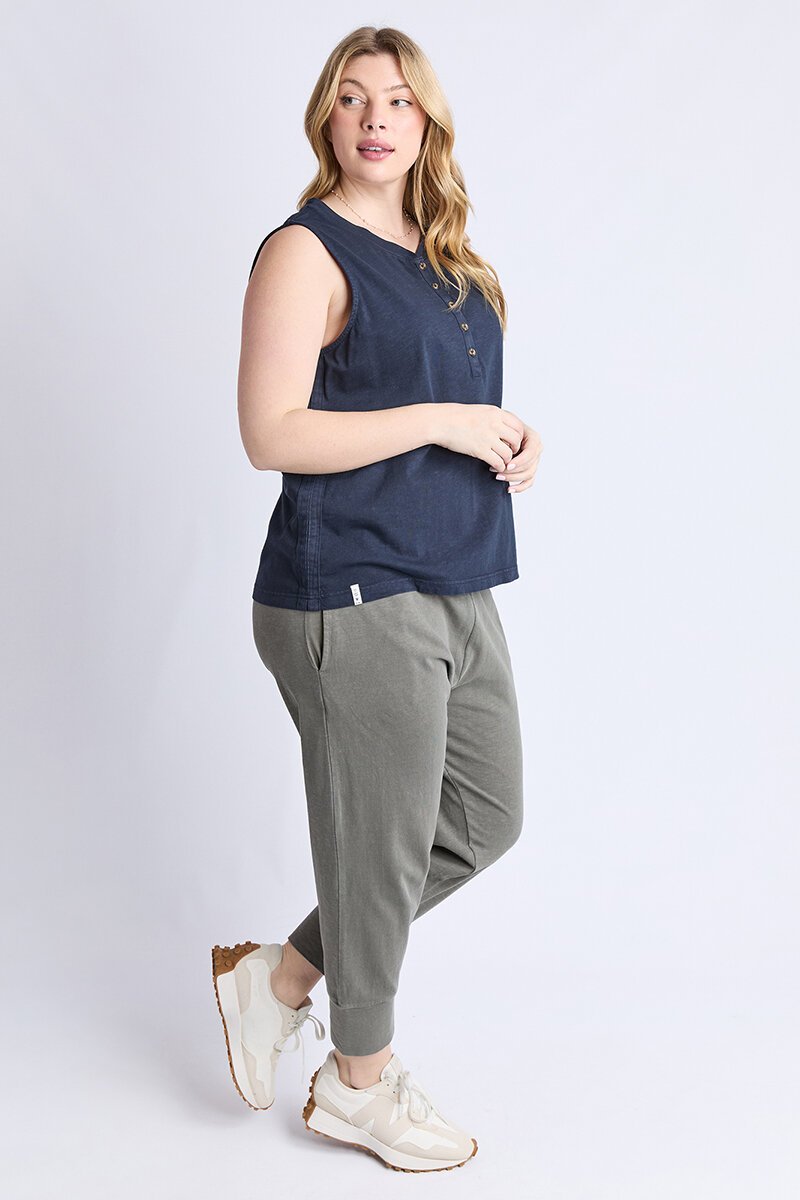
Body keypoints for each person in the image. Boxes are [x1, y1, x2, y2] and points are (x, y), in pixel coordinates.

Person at [212, 25, 543, 1173]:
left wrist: (506, 437)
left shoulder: (451, 260)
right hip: (349, 589)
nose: (374, 118)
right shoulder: (304, 250)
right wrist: (443, 422)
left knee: (481, 819)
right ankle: (357, 1083)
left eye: (397, 99)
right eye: (351, 98)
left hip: (454, 573)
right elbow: (271, 432)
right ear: (326, 118)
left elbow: (445, 402)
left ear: (426, 121)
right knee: (378, 845)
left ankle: (280, 978)